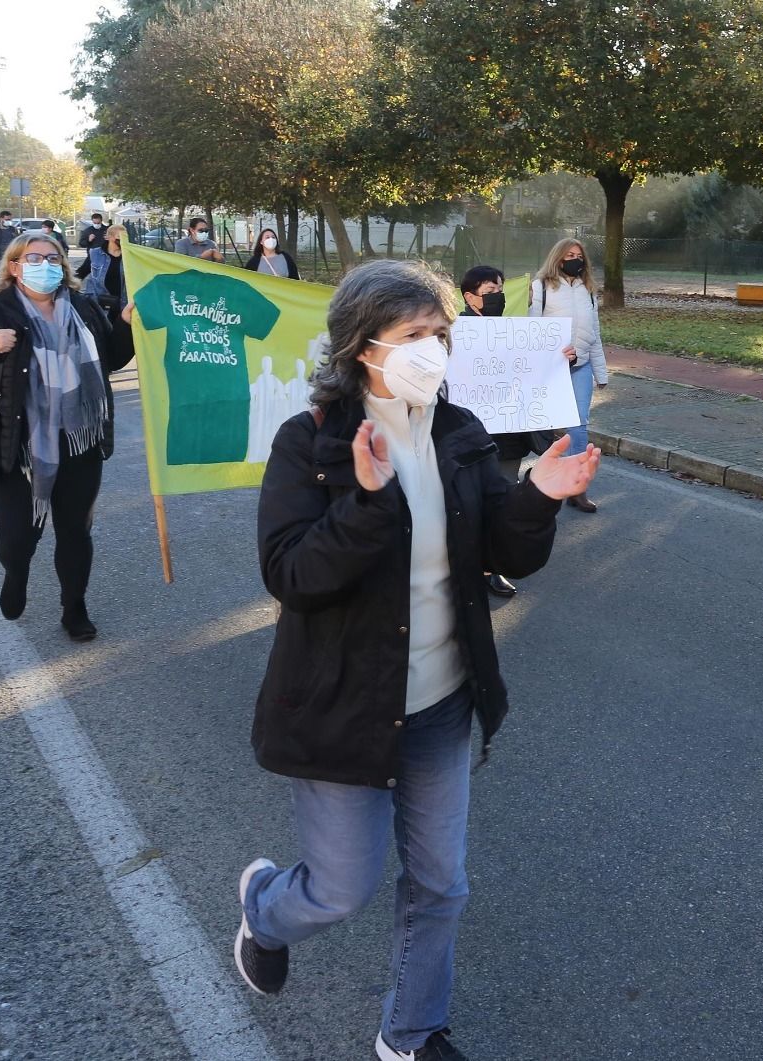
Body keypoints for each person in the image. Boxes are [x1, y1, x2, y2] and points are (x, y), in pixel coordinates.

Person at [235, 259, 600, 1061]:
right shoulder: (311, 444)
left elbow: (504, 552)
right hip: (341, 705)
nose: (432, 351)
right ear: (363, 348)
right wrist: (365, 502)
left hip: (441, 700)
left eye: (441, 334)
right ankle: (265, 908)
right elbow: (290, 572)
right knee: (339, 889)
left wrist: (538, 491)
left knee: (441, 884)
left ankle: (410, 1032)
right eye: (412, 336)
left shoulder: (462, 431)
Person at [0, 235, 135, 642]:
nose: (45, 264)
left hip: (80, 440)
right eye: (34, 258)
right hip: (16, 442)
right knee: (17, 538)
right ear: (14, 266)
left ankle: (74, 608)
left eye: (53, 258)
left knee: (76, 532)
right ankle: (16, 574)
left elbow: (112, 360)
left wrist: (124, 326)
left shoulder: (84, 307)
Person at [460, 264, 541, 599]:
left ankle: (491, 567)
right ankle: (461, 563)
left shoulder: (515, 333)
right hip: (467, 438)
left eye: (500, 290)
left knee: (503, 499)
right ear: (469, 297)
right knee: (467, 502)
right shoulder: (453, 334)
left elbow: (534, 371)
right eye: (489, 291)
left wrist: (559, 358)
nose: (498, 296)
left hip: (508, 436)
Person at [530, 238, 606, 513]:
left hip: (581, 367)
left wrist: (601, 371)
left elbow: (594, 333)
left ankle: (577, 489)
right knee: (540, 427)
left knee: (579, 426)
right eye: (569, 255)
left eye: (579, 255)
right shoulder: (542, 287)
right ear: (558, 258)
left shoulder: (588, 291)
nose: (576, 259)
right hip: (550, 368)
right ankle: (537, 481)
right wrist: (550, 355)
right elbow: (532, 330)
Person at [75, 223, 127, 312]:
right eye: (119, 236)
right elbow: (82, 272)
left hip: (123, 305)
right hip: (99, 305)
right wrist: (68, 285)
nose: (123, 239)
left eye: (125, 237)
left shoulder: (128, 256)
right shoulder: (95, 254)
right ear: (109, 237)